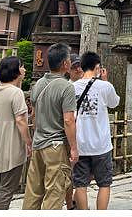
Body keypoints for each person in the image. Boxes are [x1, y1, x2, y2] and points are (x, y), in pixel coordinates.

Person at [23, 43, 80, 210]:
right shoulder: (66, 87)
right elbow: (69, 120)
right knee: (54, 192)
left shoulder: (38, 84)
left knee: (33, 192)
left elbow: (33, 114)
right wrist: (74, 148)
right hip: (55, 145)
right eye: (69, 60)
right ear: (65, 64)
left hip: (38, 143)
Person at [69, 51, 120, 211]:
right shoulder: (105, 86)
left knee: (80, 184)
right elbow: (114, 103)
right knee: (104, 183)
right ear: (97, 67)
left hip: (80, 143)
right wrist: (105, 80)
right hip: (101, 144)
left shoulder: (72, 87)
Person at [0, 54, 31, 209]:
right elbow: (20, 120)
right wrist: (28, 142)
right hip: (12, 140)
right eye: (21, 66)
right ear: (15, 70)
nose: (24, 69)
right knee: (6, 189)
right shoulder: (16, 93)